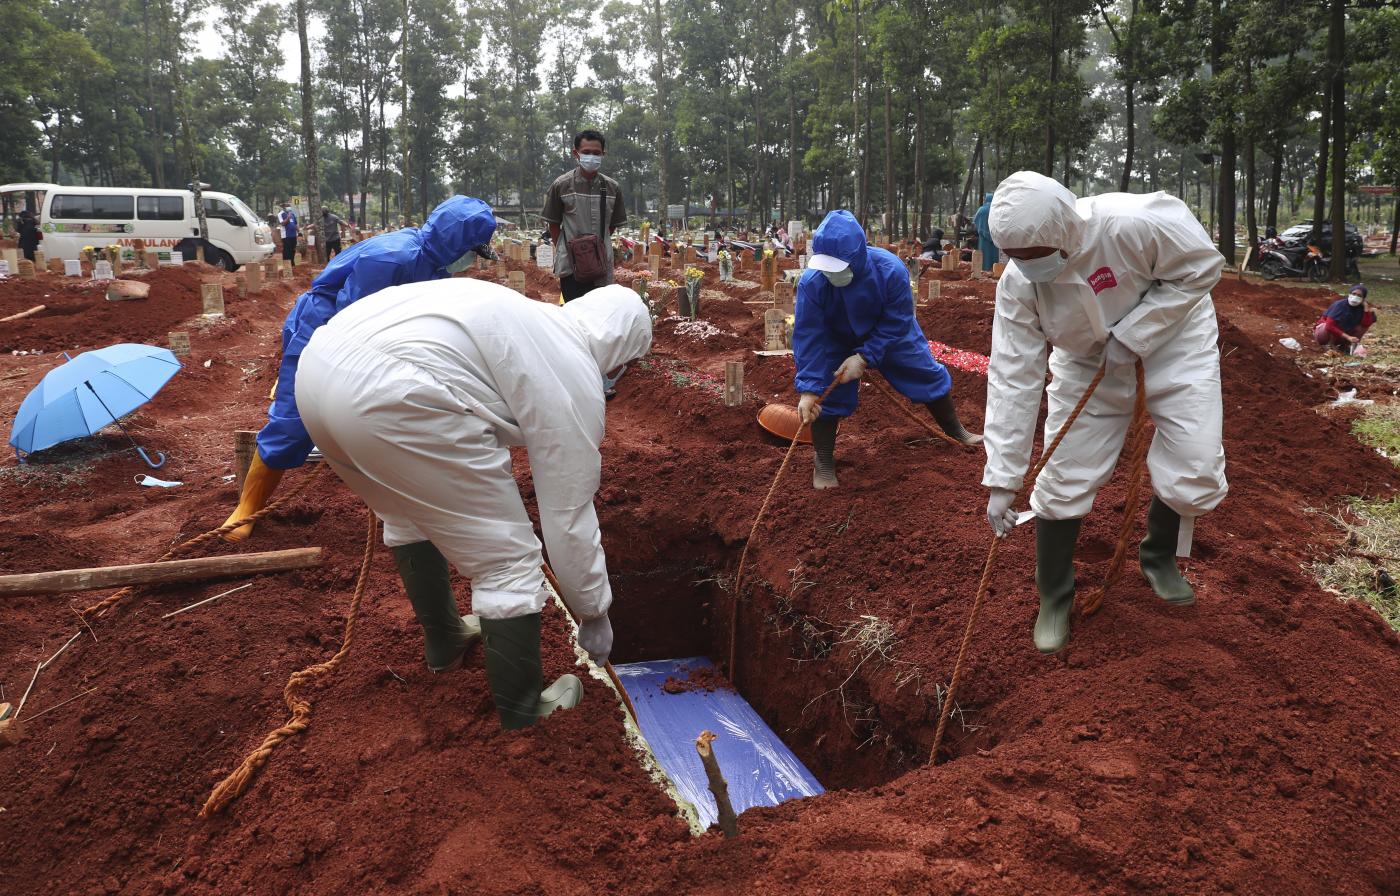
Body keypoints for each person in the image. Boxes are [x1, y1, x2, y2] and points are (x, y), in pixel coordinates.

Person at [295, 280, 652, 728]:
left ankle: (444, 641)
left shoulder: (532, 320)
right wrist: (594, 612)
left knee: (407, 513)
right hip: (395, 393)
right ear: (621, 349)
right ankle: (524, 711)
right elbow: (568, 515)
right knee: (508, 560)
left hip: (319, 369)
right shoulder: (573, 365)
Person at [982, 170, 1228, 654]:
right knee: (1063, 473)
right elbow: (1014, 376)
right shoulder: (1018, 286)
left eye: (1035, 256)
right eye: (1015, 258)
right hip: (1084, 358)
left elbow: (1201, 267)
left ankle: (1159, 557)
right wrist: (1003, 478)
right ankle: (1054, 595)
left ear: (1065, 231)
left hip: (1175, 339)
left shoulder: (1133, 224)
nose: (1027, 267)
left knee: (1196, 462)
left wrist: (1136, 332)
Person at [221, 195, 498, 541]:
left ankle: (403, 505)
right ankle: (246, 508)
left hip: (375, 333)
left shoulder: (436, 262)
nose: (472, 260)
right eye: (472, 251)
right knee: (295, 422)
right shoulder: (392, 257)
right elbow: (351, 317)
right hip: (324, 325)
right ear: (458, 244)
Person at [793, 210, 983, 489]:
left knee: (923, 370)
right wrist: (809, 389)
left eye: (838, 265)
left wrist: (865, 355)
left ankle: (956, 430)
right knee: (825, 388)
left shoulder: (890, 270)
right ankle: (823, 460)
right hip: (837, 337)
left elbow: (898, 319)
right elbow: (809, 335)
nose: (831, 272)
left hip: (888, 333)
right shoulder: (813, 283)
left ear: (856, 256)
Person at [542, 129, 627, 302]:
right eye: (586, 152)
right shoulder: (561, 185)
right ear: (576, 153)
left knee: (600, 315)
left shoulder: (612, 188)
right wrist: (569, 248)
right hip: (571, 267)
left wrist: (595, 247)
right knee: (574, 316)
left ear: (603, 154)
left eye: (596, 153)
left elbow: (612, 225)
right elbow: (553, 224)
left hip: (601, 266)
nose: (591, 157)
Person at [1314, 284, 1376, 354]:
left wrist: (1366, 309)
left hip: (1342, 335)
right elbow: (1329, 326)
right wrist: (1348, 337)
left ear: (1363, 299)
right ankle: (1329, 345)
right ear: (1349, 294)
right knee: (1336, 323)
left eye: (1359, 296)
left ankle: (1344, 346)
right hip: (1324, 334)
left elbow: (1366, 324)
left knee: (1361, 327)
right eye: (1354, 294)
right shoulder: (1340, 305)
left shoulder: (1361, 308)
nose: (1355, 297)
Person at [973, 192, 998, 271]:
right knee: (994, 255)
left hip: (983, 240)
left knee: (984, 255)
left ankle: (984, 270)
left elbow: (976, 221)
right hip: (994, 238)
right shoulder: (996, 210)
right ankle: (994, 270)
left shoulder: (981, 210)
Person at [278, 201, 299, 267]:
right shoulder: (281, 214)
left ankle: (292, 263)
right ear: (283, 207)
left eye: (289, 206)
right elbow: (283, 223)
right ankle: (287, 265)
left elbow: (295, 224)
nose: (288, 207)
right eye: (287, 206)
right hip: (286, 236)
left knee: (293, 250)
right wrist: (288, 218)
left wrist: (299, 232)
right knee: (287, 250)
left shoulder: (292, 214)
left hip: (293, 235)